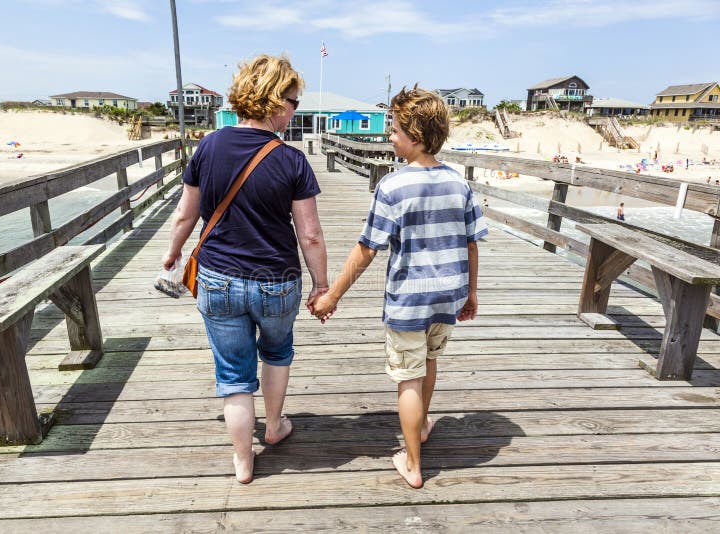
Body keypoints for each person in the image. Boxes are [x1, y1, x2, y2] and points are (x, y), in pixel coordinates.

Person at [162, 54, 329, 484]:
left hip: (217, 279)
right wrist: (321, 284)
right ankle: (273, 428)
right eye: (293, 102)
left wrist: (173, 251)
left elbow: (185, 214)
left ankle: (242, 461)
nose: (295, 111)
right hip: (276, 281)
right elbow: (309, 234)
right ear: (275, 102)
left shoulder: (209, 145)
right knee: (276, 353)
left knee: (234, 375)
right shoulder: (291, 160)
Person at [311, 86, 487, 488]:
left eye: (394, 130)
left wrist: (332, 295)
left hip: (409, 299)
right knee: (429, 361)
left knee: (407, 375)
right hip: (449, 294)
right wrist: (471, 293)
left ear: (417, 137)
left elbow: (366, 249)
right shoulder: (460, 185)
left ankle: (413, 462)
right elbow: (471, 242)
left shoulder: (392, 187)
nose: (389, 137)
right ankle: (421, 426)